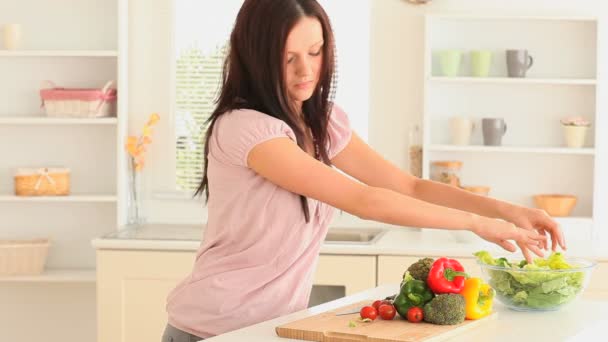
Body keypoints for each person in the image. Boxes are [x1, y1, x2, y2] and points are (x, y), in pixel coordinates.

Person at [162, 0, 566, 340]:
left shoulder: (323, 122)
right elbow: (363, 199)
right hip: (213, 328)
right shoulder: (245, 129)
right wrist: (479, 224)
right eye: (287, 58)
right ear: (255, 58)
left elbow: (409, 186)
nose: (306, 71)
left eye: (315, 52)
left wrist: (506, 211)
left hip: (273, 326)